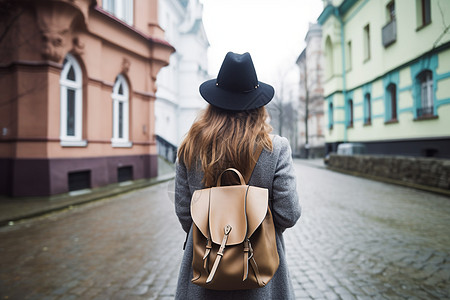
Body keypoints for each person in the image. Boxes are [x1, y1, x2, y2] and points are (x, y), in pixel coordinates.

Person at [174, 52, 301, 299]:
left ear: (214, 101)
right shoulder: (275, 149)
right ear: (258, 103)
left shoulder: (190, 147)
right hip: (260, 274)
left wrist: (212, 230)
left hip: (204, 271)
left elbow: (183, 211)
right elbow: (289, 213)